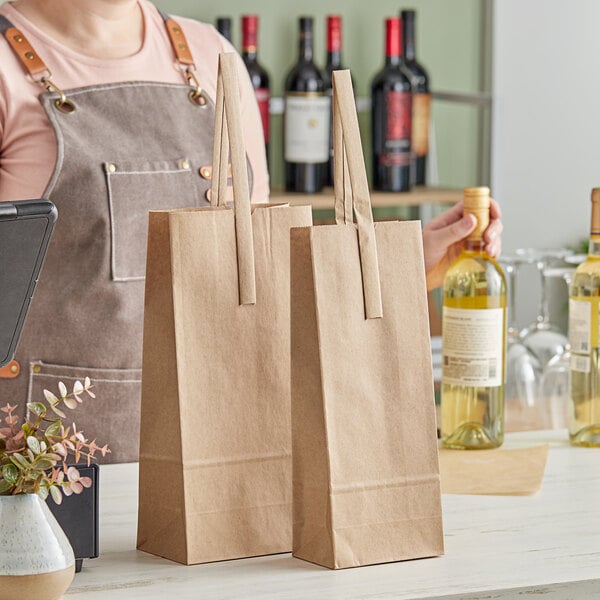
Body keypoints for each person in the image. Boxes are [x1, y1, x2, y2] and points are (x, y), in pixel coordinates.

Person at [0, 0, 501, 462]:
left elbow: (264, 268)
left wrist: (406, 263)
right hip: (42, 474)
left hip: (217, 455)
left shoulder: (209, 55)